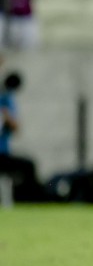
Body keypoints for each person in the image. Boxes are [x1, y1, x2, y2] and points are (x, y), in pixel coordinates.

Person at [0, 71, 45, 201]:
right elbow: (15, 128)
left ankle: (30, 198)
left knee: (27, 166)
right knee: (28, 166)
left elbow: (15, 128)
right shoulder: (5, 100)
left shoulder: (6, 100)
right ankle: (31, 198)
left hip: (3, 154)